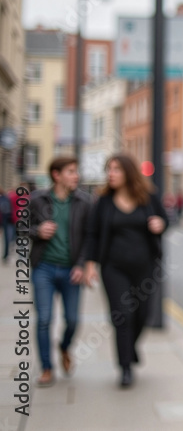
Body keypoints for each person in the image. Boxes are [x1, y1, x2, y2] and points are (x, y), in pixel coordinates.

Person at [83, 153, 168, 388]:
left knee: (142, 315)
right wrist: (90, 265)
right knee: (122, 315)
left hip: (145, 268)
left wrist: (160, 224)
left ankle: (130, 348)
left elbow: (165, 220)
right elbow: (92, 234)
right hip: (114, 268)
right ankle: (125, 367)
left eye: (116, 169)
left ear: (129, 172)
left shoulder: (148, 197)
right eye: (109, 169)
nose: (111, 174)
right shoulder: (104, 201)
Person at [27, 157, 93, 387]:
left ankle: (64, 347)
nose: (76, 176)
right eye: (71, 171)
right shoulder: (38, 199)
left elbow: (89, 237)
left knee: (72, 320)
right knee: (44, 319)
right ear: (56, 175)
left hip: (71, 270)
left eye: (76, 171)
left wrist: (81, 265)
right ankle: (47, 368)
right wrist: (37, 231)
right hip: (43, 267)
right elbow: (21, 228)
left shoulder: (84, 202)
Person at [0, 187, 11, 263]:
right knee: (6, 238)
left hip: (4, 220)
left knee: (7, 238)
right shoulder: (5, 198)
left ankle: (6, 255)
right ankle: (6, 255)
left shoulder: (5, 198)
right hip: (5, 220)